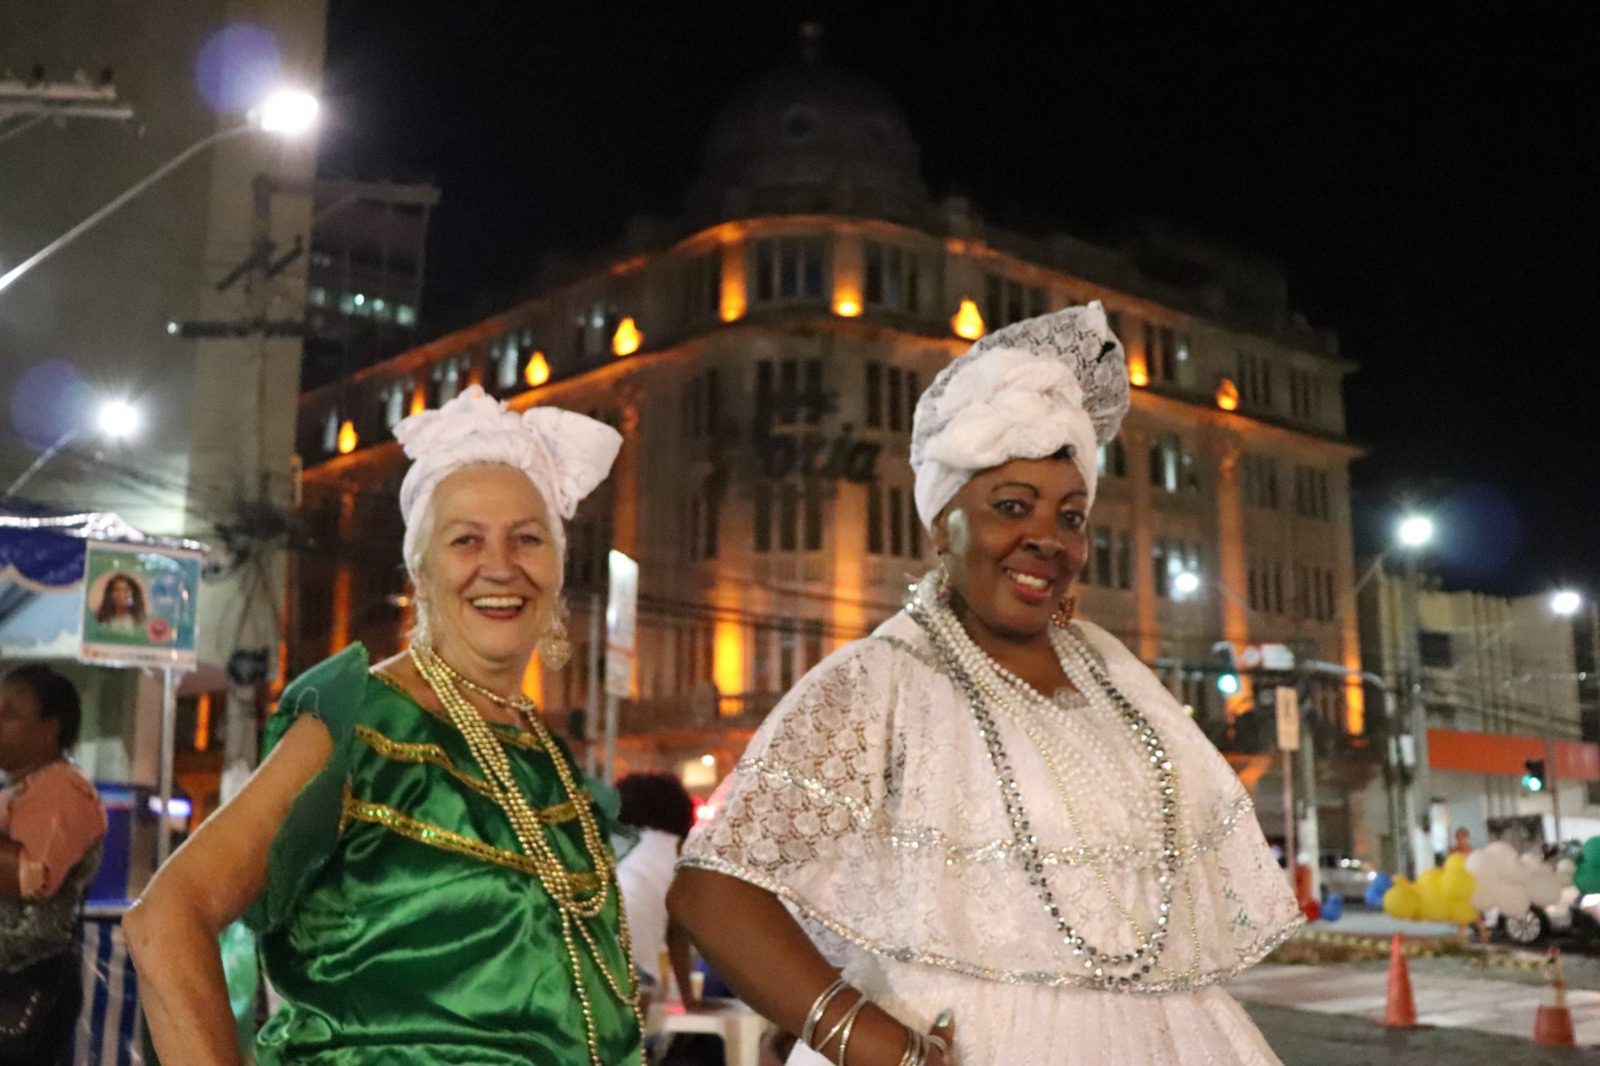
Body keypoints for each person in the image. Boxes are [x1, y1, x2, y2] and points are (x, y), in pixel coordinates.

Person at [670, 304, 1301, 1065]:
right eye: (1011, 507)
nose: (1048, 538)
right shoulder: (883, 681)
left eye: (1071, 517)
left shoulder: (1121, 686)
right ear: (943, 524)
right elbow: (713, 888)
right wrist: (870, 1043)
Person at [125, 386, 643, 1065]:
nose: (501, 565)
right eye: (466, 540)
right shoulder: (359, 722)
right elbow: (168, 918)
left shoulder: (544, 756)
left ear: (557, 564)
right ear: (420, 572)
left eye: (527, 538)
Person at [0, 664, 108, 1065]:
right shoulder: (22, 788)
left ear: (50, 729)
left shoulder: (62, 787)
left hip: (22, 980)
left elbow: (32, 876)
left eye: (10, 713)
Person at [614, 772, 700, 1012]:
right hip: (636, 965)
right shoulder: (678, 850)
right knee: (631, 1045)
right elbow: (677, 933)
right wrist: (689, 1000)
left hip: (591, 949)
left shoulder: (615, 845)